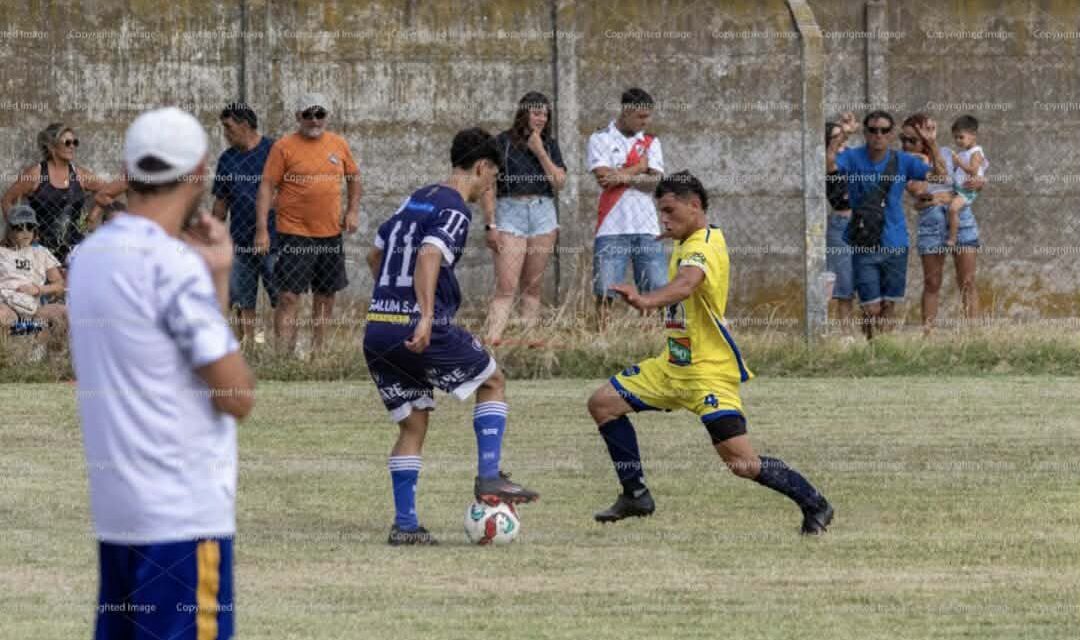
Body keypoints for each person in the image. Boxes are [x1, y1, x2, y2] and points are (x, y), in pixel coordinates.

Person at [68, 107, 255, 639]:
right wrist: (210, 275)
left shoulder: (90, 257)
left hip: (120, 511)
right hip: (183, 515)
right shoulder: (170, 267)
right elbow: (235, 393)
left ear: (129, 169)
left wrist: (214, 276)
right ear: (198, 172)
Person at [585, 171, 833, 534]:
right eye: (661, 212)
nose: (663, 219)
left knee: (741, 464)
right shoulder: (687, 240)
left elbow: (687, 284)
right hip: (671, 367)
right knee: (603, 404)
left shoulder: (703, 245)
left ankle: (816, 504)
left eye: (669, 210)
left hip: (708, 373)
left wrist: (646, 300)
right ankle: (635, 494)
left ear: (694, 206)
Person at [363, 127, 540, 546]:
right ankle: (489, 477)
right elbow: (428, 254)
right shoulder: (456, 209)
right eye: (492, 177)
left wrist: (392, 300)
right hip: (419, 326)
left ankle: (406, 526)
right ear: (481, 167)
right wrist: (423, 316)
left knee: (412, 424)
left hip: (378, 329)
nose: (490, 186)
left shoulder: (416, 198)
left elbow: (375, 252)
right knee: (493, 381)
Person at [255, 92, 362, 354]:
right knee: (289, 295)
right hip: (294, 232)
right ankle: (284, 355)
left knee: (325, 295)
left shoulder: (338, 144)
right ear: (298, 117)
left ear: (326, 117)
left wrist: (352, 212)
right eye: (308, 114)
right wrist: (261, 230)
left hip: (330, 233)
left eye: (320, 114)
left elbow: (355, 178)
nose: (314, 120)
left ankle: (319, 352)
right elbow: (267, 187)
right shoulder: (283, 147)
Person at [827, 110, 930, 340]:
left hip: (895, 242)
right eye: (873, 130)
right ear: (865, 133)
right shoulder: (853, 157)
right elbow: (829, 164)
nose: (878, 135)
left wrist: (931, 145)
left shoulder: (902, 161)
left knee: (888, 305)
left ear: (892, 134)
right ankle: (871, 345)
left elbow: (939, 175)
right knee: (871, 307)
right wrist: (842, 134)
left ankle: (881, 350)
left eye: (884, 130)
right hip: (864, 242)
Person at [482, 91, 566, 345]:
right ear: (524, 113)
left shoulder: (549, 145)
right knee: (506, 286)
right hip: (510, 213)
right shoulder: (501, 143)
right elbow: (487, 186)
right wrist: (491, 225)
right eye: (536, 113)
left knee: (533, 287)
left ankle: (529, 343)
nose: (541, 119)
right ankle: (492, 341)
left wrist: (540, 151)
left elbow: (559, 182)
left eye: (545, 114)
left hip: (543, 214)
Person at [586, 87, 666, 327]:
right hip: (612, 224)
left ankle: (651, 336)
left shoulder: (651, 141)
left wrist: (619, 175)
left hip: (647, 226)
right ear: (626, 111)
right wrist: (638, 169)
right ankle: (603, 336)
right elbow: (602, 178)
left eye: (648, 117)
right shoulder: (600, 138)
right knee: (605, 290)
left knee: (656, 288)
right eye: (641, 117)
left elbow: (654, 182)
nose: (645, 122)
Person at [900, 115, 983, 332]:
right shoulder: (903, 161)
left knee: (967, 281)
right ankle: (928, 335)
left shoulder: (946, 152)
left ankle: (974, 336)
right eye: (903, 140)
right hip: (932, 221)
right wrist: (939, 193)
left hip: (960, 216)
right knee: (932, 283)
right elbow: (919, 190)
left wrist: (934, 145)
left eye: (912, 140)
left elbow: (964, 181)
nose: (906, 145)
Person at [1, 122, 125, 265]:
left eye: (75, 142)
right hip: (41, 250)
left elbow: (108, 191)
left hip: (75, 249)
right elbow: (7, 200)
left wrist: (92, 216)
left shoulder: (79, 174)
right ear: (51, 146)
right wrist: (18, 230)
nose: (72, 146)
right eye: (67, 142)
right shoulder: (36, 174)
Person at [213, 102, 278, 345]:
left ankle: (283, 349)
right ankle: (249, 346)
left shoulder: (275, 151)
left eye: (228, 127)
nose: (225, 133)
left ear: (244, 125)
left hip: (275, 238)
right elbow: (221, 203)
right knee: (242, 298)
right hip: (239, 240)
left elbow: (289, 191)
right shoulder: (227, 160)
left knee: (282, 296)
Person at [0, 205, 66, 353]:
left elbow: (59, 285)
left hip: (34, 308)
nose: (25, 232)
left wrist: (38, 289)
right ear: (10, 230)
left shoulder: (40, 252)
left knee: (63, 313)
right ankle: (10, 358)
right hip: (7, 304)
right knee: (2, 315)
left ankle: (50, 363)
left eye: (29, 227)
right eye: (19, 227)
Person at [824, 121, 855, 333]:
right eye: (835, 136)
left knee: (864, 279)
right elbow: (831, 161)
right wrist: (843, 135)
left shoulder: (852, 156)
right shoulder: (826, 159)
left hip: (863, 223)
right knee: (843, 282)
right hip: (841, 225)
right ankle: (845, 333)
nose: (841, 139)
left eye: (841, 136)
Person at [946, 115, 987, 249]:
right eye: (956, 137)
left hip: (966, 191)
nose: (958, 141)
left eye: (961, 137)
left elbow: (973, 171)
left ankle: (953, 237)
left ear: (973, 135)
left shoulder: (975, 153)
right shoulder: (967, 152)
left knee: (953, 209)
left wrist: (959, 163)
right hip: (960, 188)